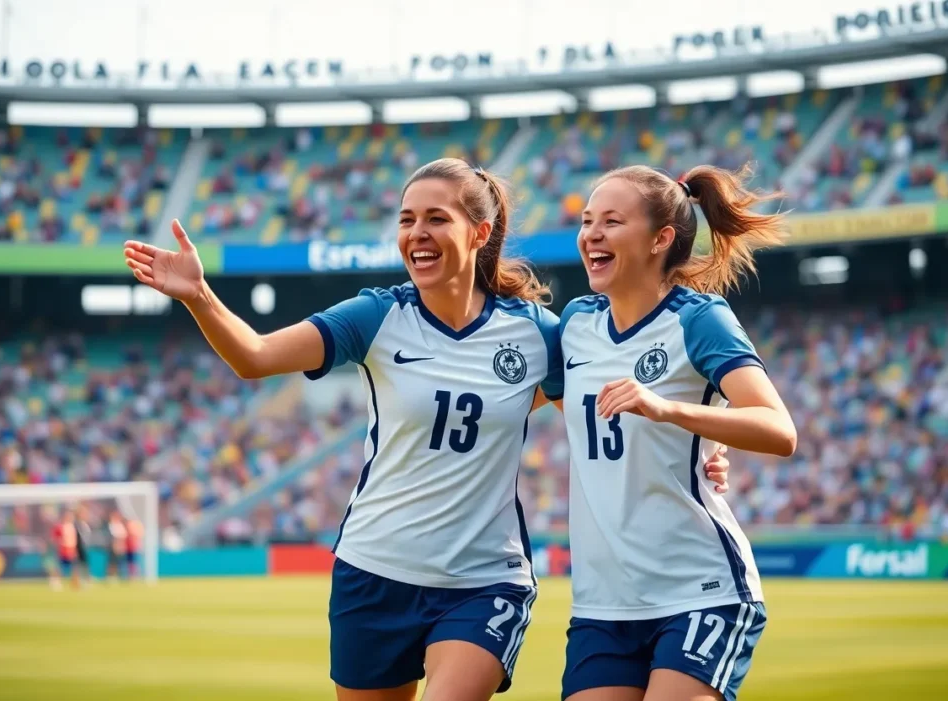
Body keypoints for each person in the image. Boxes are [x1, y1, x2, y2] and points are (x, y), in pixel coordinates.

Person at [124, 158, 729, 701]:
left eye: (436, 218)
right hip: (372, 571)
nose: (417, 233)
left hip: (485, 580)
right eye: (407, 219)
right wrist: (199, 295)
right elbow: (254, 356)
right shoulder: (376, 315)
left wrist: (708, 439)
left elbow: (638, 368)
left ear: (479, 233)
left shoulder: (538, 332)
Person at [556, 164, 797, 701]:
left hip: (699, 589)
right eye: (588, 220)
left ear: (661, 238)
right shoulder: (574, 323)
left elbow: (778, 429)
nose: (591, 233)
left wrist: (670, 413)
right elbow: (543, 399)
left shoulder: (699, 317)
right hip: (603, 603)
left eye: (611, 221)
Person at [53, 510, 80, 590]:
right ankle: (56, 581)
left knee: (74, 567)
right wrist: (61, 543)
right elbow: (56, 538)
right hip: (64, 549)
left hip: (72, 549)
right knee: (61, 566)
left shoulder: (73, 527)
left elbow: (75, 539)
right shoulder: (61, 527)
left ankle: (75, 583)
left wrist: (75, 549)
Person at [106, 511, 127, 581]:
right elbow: (112, 537)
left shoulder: (120, 525)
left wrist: (121, 546)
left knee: (120, 562)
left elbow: (123, 536)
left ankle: (120, 576)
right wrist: (114, 546)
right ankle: (111, 577)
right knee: (112, 562)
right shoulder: (110, 525)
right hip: (113, 547)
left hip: (120, 547)